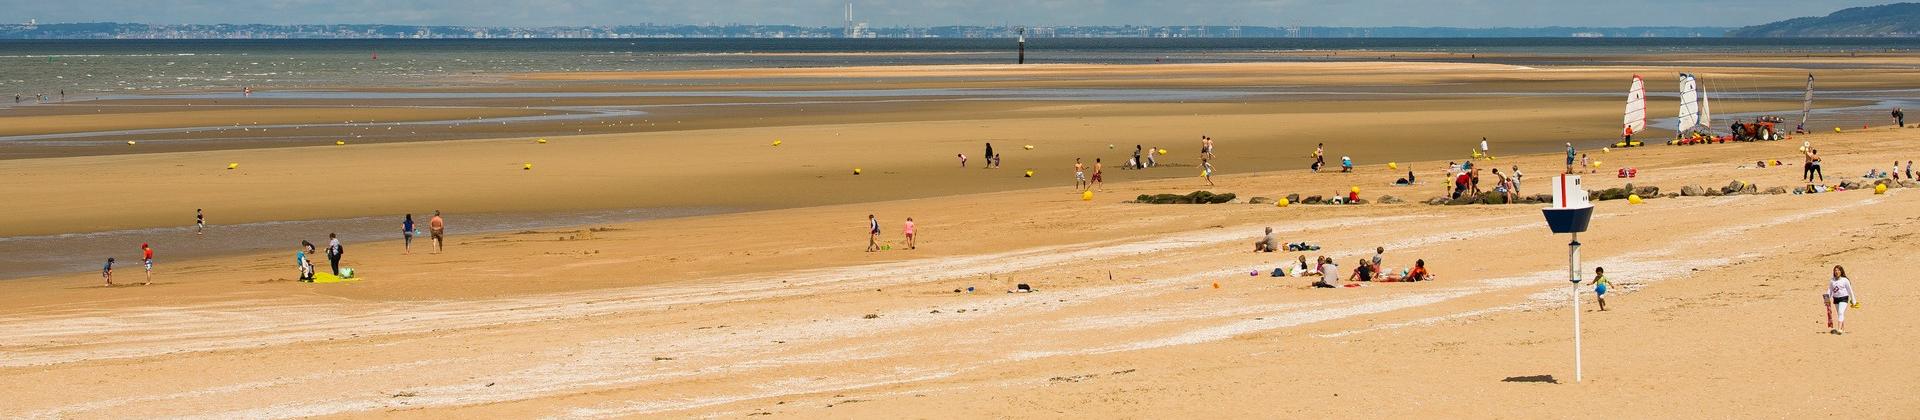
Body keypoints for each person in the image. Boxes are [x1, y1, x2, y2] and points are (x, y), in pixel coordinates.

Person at [1827, 265, 1857, 335]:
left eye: (1838, 270)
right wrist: (1827, 298)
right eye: (1835, 270)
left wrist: (1853, 300)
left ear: (1841, 271)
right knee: (1840, 314)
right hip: (1836, 298)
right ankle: (1843, 330)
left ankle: (1839, 329)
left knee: (1840, 312)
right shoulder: (1832, 280)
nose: (1837, 272)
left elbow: (1850, 290)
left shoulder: (1845, 280)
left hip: (1844, 298)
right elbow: (1830, 290)